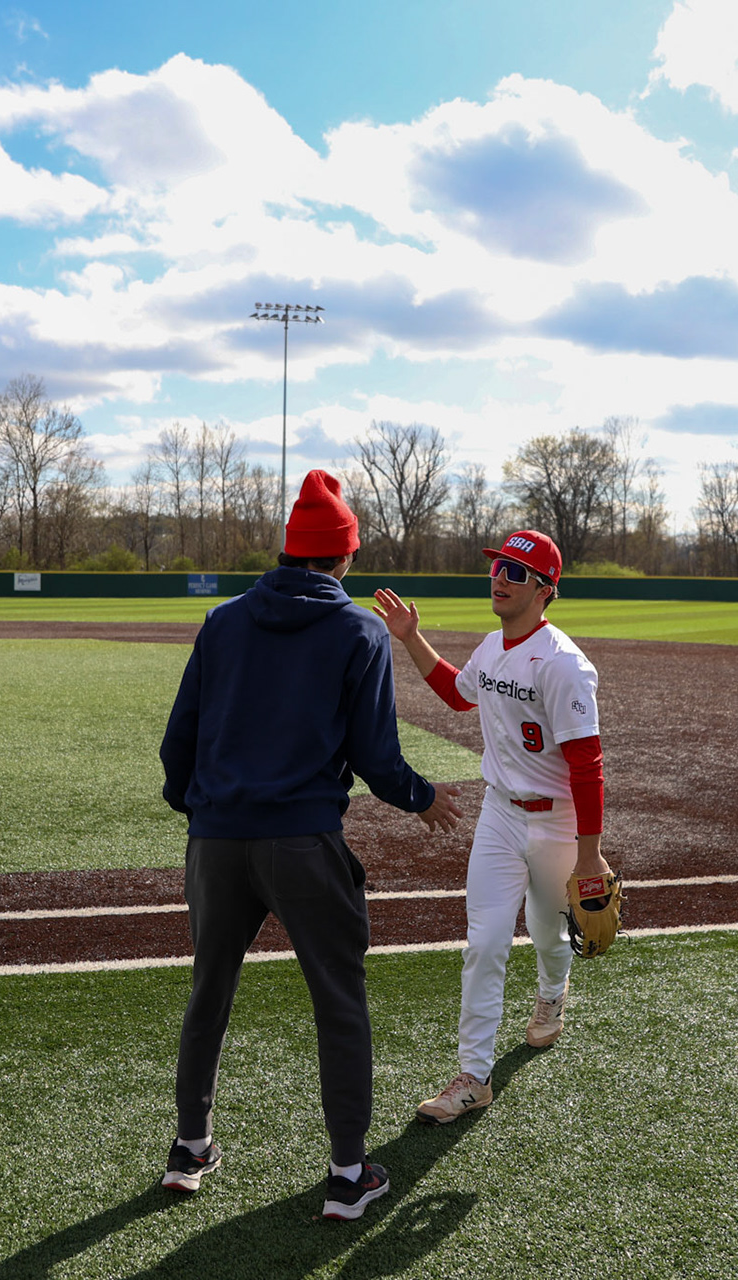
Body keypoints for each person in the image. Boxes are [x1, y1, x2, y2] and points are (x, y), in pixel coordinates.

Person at [158, 469, 464, 1221]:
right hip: (302, 842)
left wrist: (200, 810)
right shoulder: (358, 630)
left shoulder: (224, 622)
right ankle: (348, 1174)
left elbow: (179, 742)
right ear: (345, 557)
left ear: (289, 551)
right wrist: (423, 799)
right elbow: (375, 756)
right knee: (339, 1001)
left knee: (210, 992)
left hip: (217, 840)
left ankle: (190, 1149)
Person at [371, 529, 611, 1125]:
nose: (500, 578)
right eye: (498, 567)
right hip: (500, 815)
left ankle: (552, 995)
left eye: (515, 571)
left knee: (551, 936)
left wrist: (590, 857)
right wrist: (412, 639)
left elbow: (587, 765)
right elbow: (458, 694)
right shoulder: (493, 646)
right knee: (484, 942)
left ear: (545, 588)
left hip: (557, 824)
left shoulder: (563, 665)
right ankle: (473, 1077)